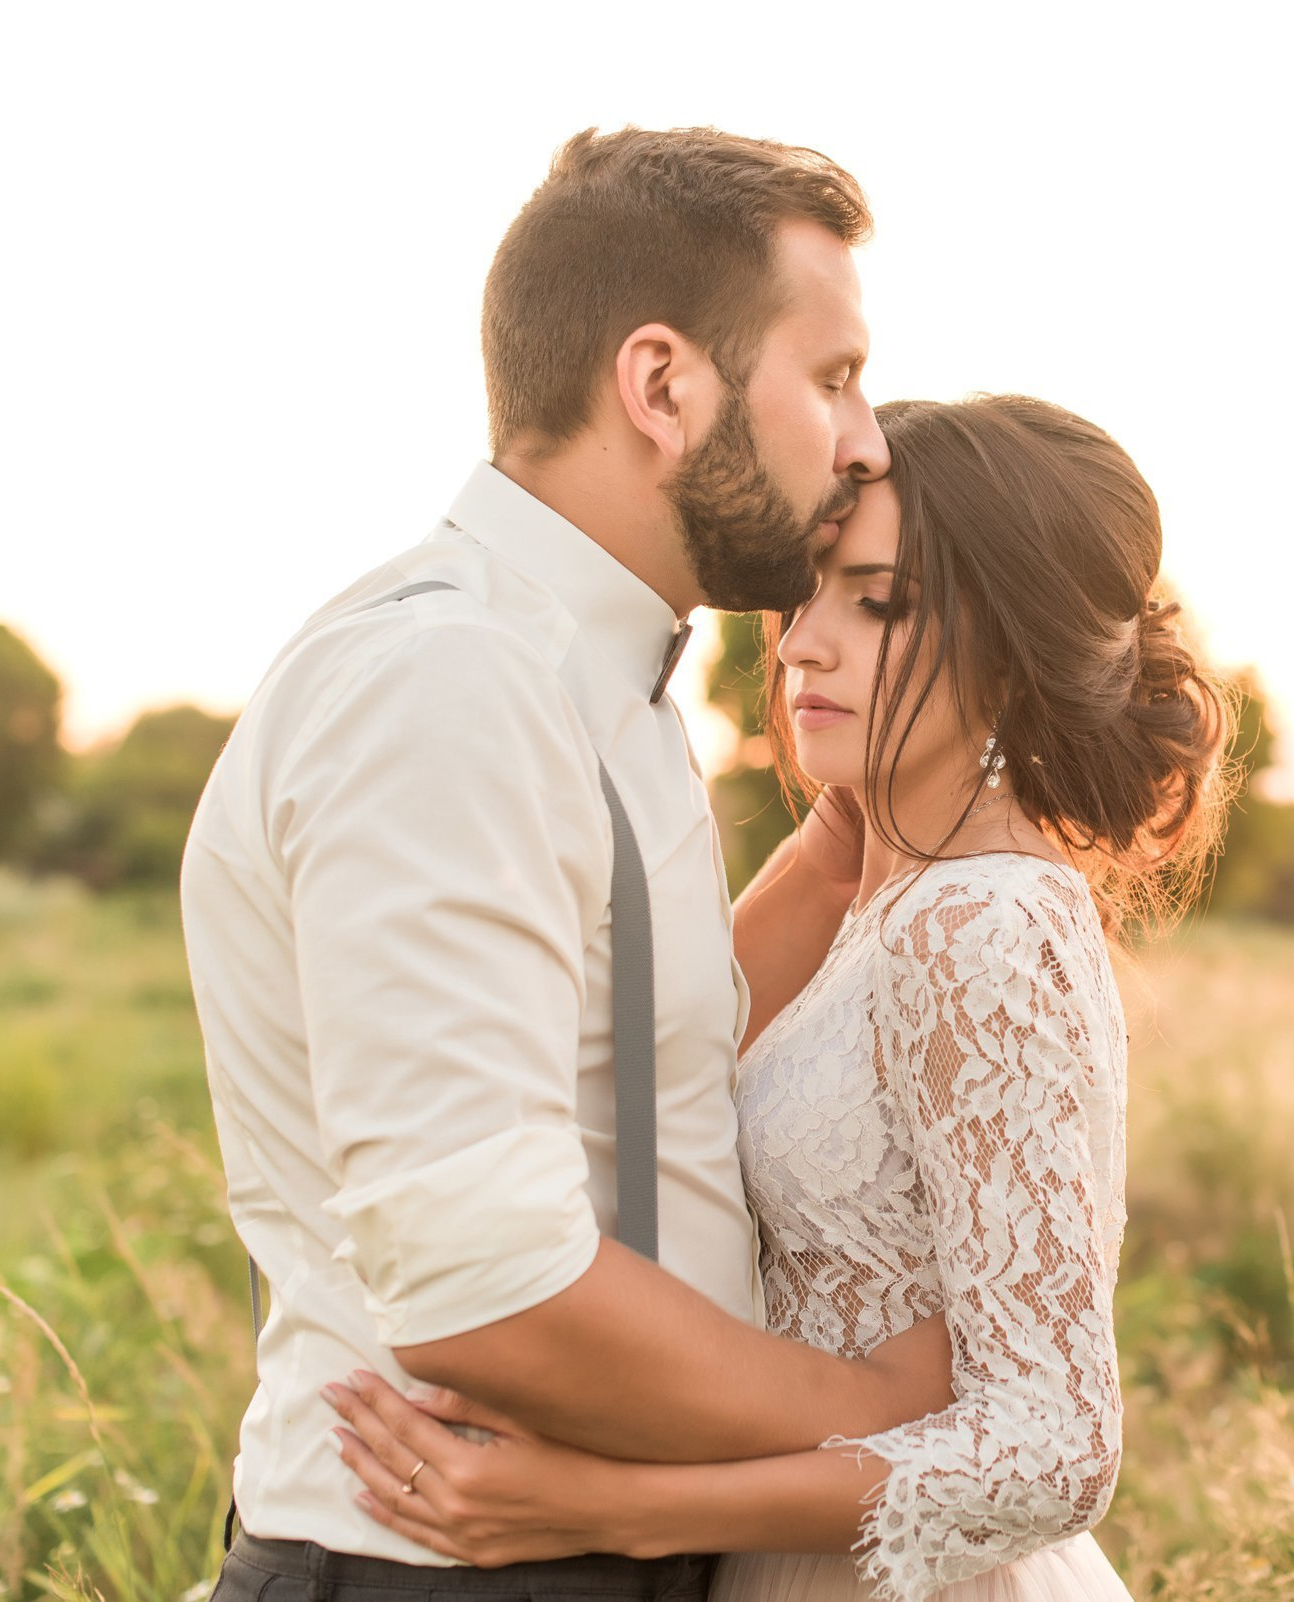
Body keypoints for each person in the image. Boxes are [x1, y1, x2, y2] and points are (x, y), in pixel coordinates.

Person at [181, 127, 958, 1602]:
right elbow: (494, 1290)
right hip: (443, 1563)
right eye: (835, 376)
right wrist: (886, 1407)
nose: (866, 440)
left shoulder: (608, 689)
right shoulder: (448, 681)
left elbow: (637, 1071)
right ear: (662, 386)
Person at [325, 394, 1236, 1601]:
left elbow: (1054, 1450)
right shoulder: (893, 904)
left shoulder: (987, 925)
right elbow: (670, 1066)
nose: (803, 642)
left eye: (880, 602)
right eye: (808, 592)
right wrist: (841, 830)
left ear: (1015, 650)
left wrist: (609, 1508)